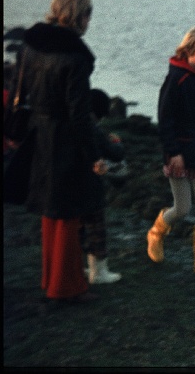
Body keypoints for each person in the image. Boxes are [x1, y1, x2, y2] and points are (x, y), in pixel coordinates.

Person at [13, 0, 101, 302]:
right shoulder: (74, 57)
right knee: (67, 212)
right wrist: (93, 154)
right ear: (79, 13)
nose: (90, 20)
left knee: (50, 212)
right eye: (89, 13)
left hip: (41, 133)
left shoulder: (33, 45)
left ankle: (49, 278)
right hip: (64, 138)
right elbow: (79, 113)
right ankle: (65, 287)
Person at [146, 26, 195, 276]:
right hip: (179, 153)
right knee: (182, 208)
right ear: (188, 51)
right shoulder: (176, 79)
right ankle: (156, 233)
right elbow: (165, 118)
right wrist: (174, 152)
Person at [81, 88, 125, 285]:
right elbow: (115, 154)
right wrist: (117, 143)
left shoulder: (77, 122)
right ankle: (99, 272)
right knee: (96, 228)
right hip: (91, 184)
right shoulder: (93, 127)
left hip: (74, 181)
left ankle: (83, 266)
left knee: (80, 228)